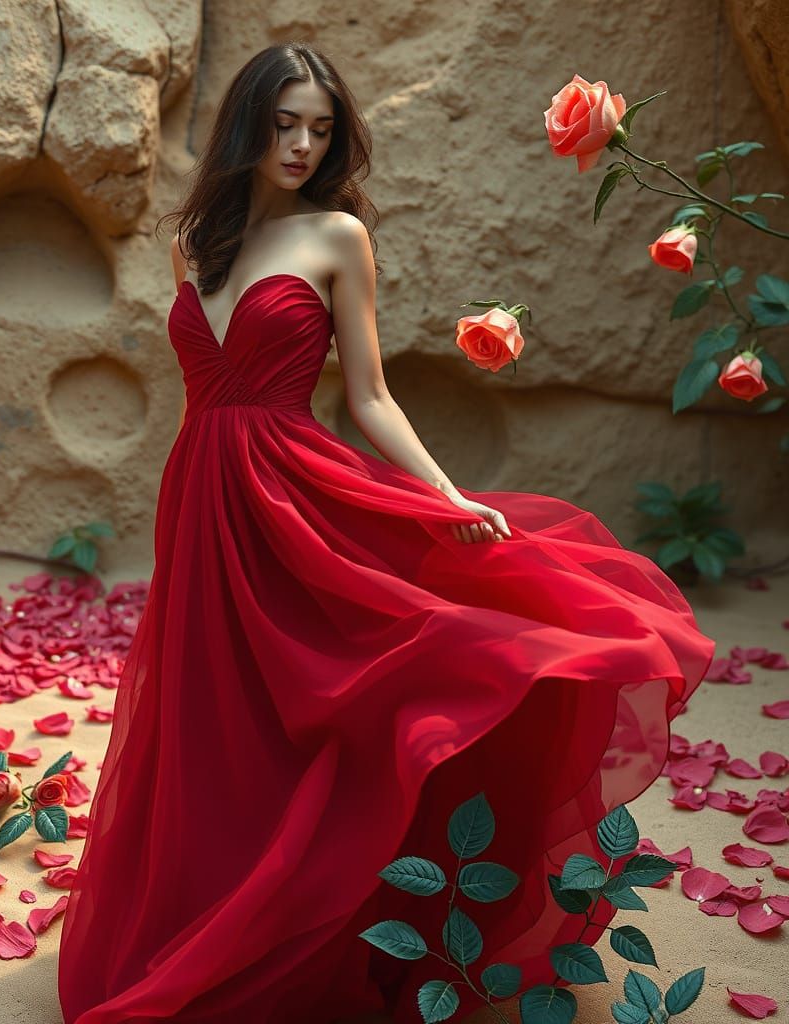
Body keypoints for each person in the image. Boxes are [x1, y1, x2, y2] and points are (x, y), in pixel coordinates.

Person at [57, 41, 716, 1024]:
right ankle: (200, 921)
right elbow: (206, 387)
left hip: (295, 489)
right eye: (283, 123)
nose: (301, 144)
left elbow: (368, 395)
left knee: (355, 683)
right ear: (246, 124)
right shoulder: (197, 245)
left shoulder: (337, 238)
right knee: (214, 717)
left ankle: (326, 916)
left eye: (319, 129)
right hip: (202, 496)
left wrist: (445, 497)